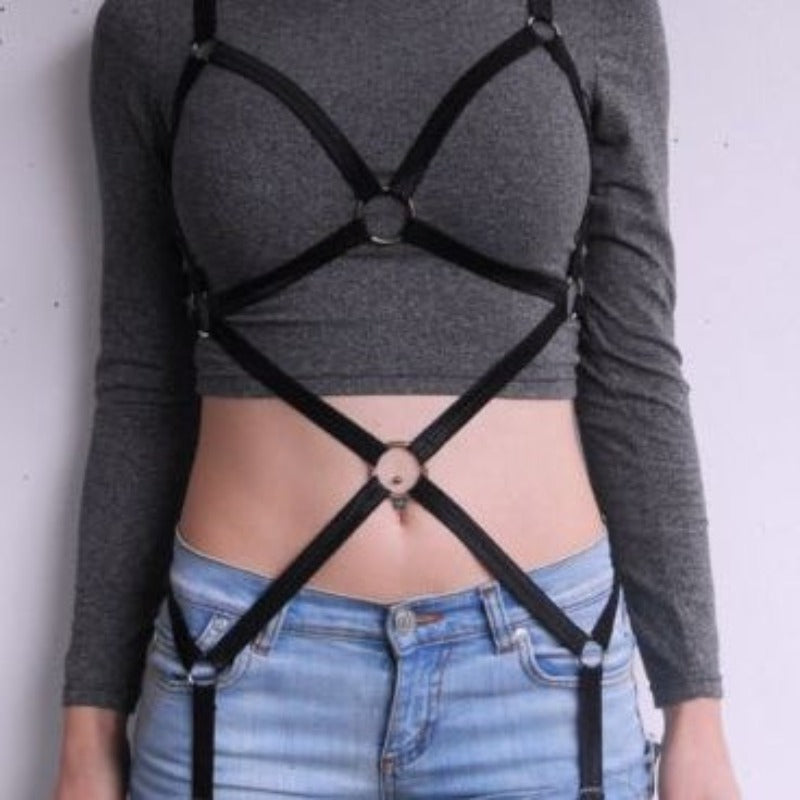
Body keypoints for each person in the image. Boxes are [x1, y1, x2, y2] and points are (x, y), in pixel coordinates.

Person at [54, 0, 741, 798]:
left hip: (546, 679)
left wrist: (695, 709)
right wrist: (89, 727)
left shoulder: (600, 14)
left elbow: (635, 368)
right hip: (237, 685)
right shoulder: (158, 23)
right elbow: (144, 384)